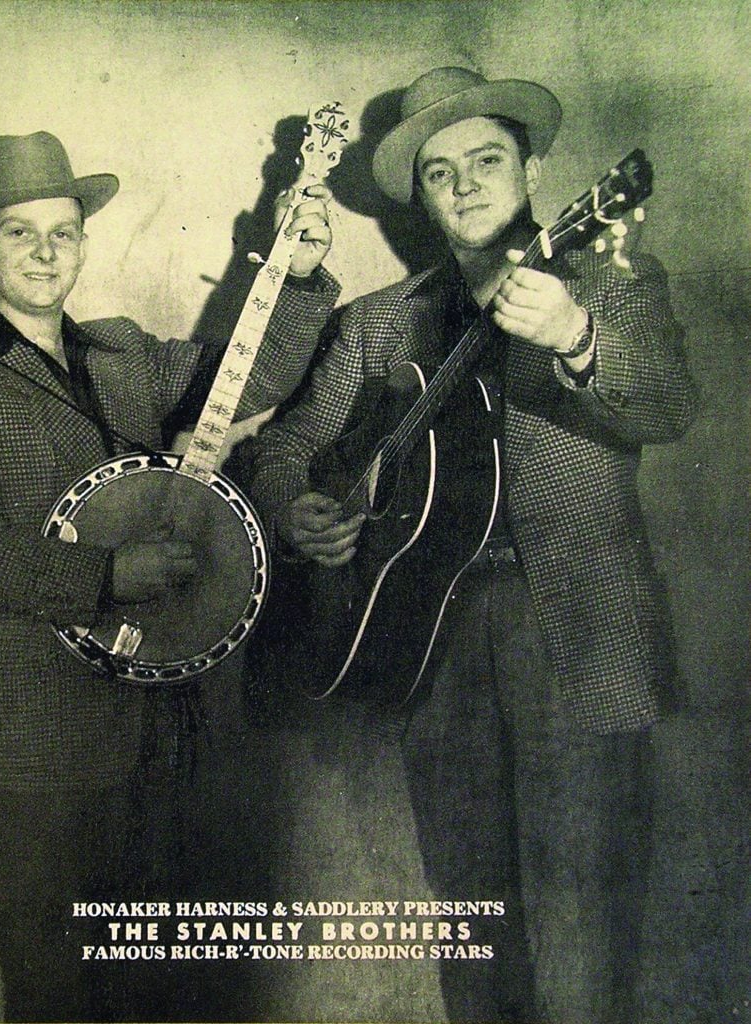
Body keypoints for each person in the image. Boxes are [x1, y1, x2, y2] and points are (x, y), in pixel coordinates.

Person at [249, 68, 696, 1023]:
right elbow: (284, 445)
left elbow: (668, 403)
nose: (464, 185)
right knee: (472, 925)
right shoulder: (376, 322)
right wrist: (295, 507)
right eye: (440, 172)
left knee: (586, 935)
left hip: (578, 633)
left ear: (533, 168)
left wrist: (574, 333)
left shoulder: (610, 278)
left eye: (487, 159)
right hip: (427, 636)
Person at [0, 129, 337, 1022]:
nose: (48, 252)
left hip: (162, 718)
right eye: (21, 233)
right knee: (55, 980)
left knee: (156, 983)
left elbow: (247, 377)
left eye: (64, 231)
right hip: (38, 733)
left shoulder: (125, 352)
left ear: (85, 243)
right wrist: (106, 573)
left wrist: (298, 274)